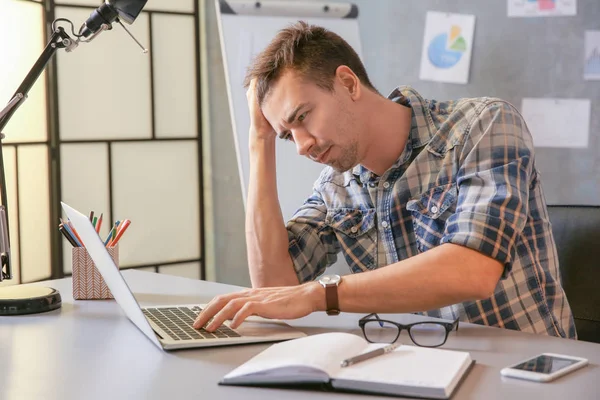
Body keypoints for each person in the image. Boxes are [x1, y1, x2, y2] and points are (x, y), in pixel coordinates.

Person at [194, 21, 576, 339]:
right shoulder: (335, 187)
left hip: (525, 372)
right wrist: (259, 142)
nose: (301, 145)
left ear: (348, 83)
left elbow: (472, 270)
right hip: (409, 370)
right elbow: (273, 285)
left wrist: (320, 294)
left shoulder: (484, 125)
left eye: (303, 117)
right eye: (286, 135)